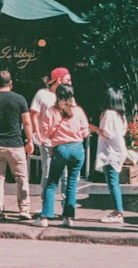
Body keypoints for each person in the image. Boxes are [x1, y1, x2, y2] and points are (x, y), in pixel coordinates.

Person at [0, 70, 34, 221]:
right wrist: (30, 141)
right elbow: (27, 122)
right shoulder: (20, 99)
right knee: (21, 177)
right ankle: (24, 209)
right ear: (11, 83)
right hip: (16, 144)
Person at [34, 85, 89, 228]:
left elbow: (45, 131)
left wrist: (51, 140)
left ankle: (45, 217)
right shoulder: (78, 111)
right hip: (77, 149)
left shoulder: (51, 111)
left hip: (60, 149)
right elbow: (85, 132)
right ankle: (68, 218)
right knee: (71, 183)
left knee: (52, 183)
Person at [31, 67, 72, 200]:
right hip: (47, 140)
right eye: (67, 80)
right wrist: (37, 134)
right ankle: (46, 204)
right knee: (47, 172)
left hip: (64, 140)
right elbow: (34, 115)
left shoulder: (67, 95)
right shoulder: (42, 94)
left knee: (65, 174)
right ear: (59, 80)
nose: (70, 83)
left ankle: (65, 206)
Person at [95, 88, 128, 224]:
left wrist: (92, 128)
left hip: (110, 152)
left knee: (113, 183)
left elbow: (106, 132)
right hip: (118, 150)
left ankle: (118, 212)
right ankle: (117, 211)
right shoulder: (121, 115)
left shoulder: (108, 114)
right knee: (114, 182)